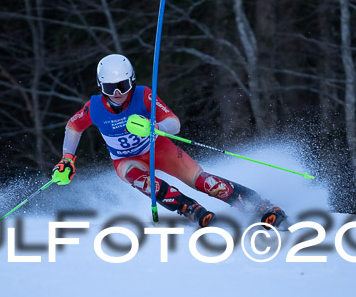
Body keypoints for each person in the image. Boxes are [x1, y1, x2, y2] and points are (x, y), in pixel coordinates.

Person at [51, 53, 286, 227]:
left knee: (204, 182)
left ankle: (262, 207)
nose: (117, 94)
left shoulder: (143, 95)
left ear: (131, 81)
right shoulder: (94, 108)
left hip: (158, 148)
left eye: (122, 86)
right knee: (143, 182)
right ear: (101, 86)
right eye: (110, 88)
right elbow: (73, 126)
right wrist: (68, 158)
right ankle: (191, 210)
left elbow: (174, 123)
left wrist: (156, 127)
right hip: (126, 161)